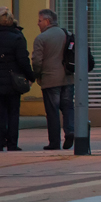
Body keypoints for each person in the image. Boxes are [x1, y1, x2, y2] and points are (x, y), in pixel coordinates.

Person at [0, 10, 34, 151]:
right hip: (13, 82)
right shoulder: (17, 38)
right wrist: (30, 76)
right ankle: (12, 143)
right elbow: (23, 60)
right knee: (13, 113)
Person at [31, 8, 74, 151]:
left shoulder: (41, 38)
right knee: (67, 107)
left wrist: (36, 75)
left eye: (39, 20)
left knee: (52, 111)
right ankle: (70, 131)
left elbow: (37, 61)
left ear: (47, 21)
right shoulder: (66, 34)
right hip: (67, 77)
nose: (38, 24)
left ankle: (54, 142)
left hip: (50, 80)